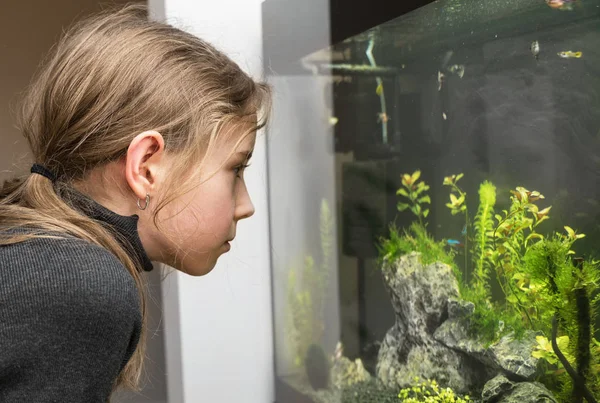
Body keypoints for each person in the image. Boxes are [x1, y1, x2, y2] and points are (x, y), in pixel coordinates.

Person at [0, 3, 271, 402]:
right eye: (235, 169)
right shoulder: (77, 284)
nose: (245, 205)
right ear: (146, 167)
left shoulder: (42, 254)